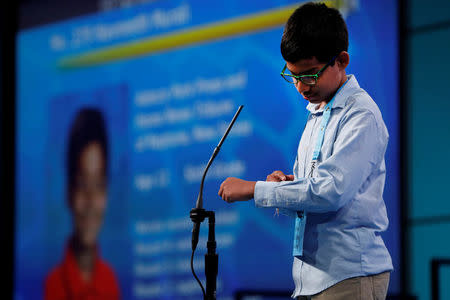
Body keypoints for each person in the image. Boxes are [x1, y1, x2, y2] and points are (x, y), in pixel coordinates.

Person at [218, 2, 393, 300]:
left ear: (342, 60)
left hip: (349, 276)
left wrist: (254, 189)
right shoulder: (316, 115)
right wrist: (286, 188)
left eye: (310, 74)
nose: (301, 86)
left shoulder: (361, 114)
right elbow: (312, 195)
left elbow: (329, 192)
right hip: (311, 281)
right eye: (293, 75)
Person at [45, 108, 120, 300]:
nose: (90, 201)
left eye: (99, 185)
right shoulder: (51, 286)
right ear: (68, 192)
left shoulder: (111, 282)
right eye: (81, 184)